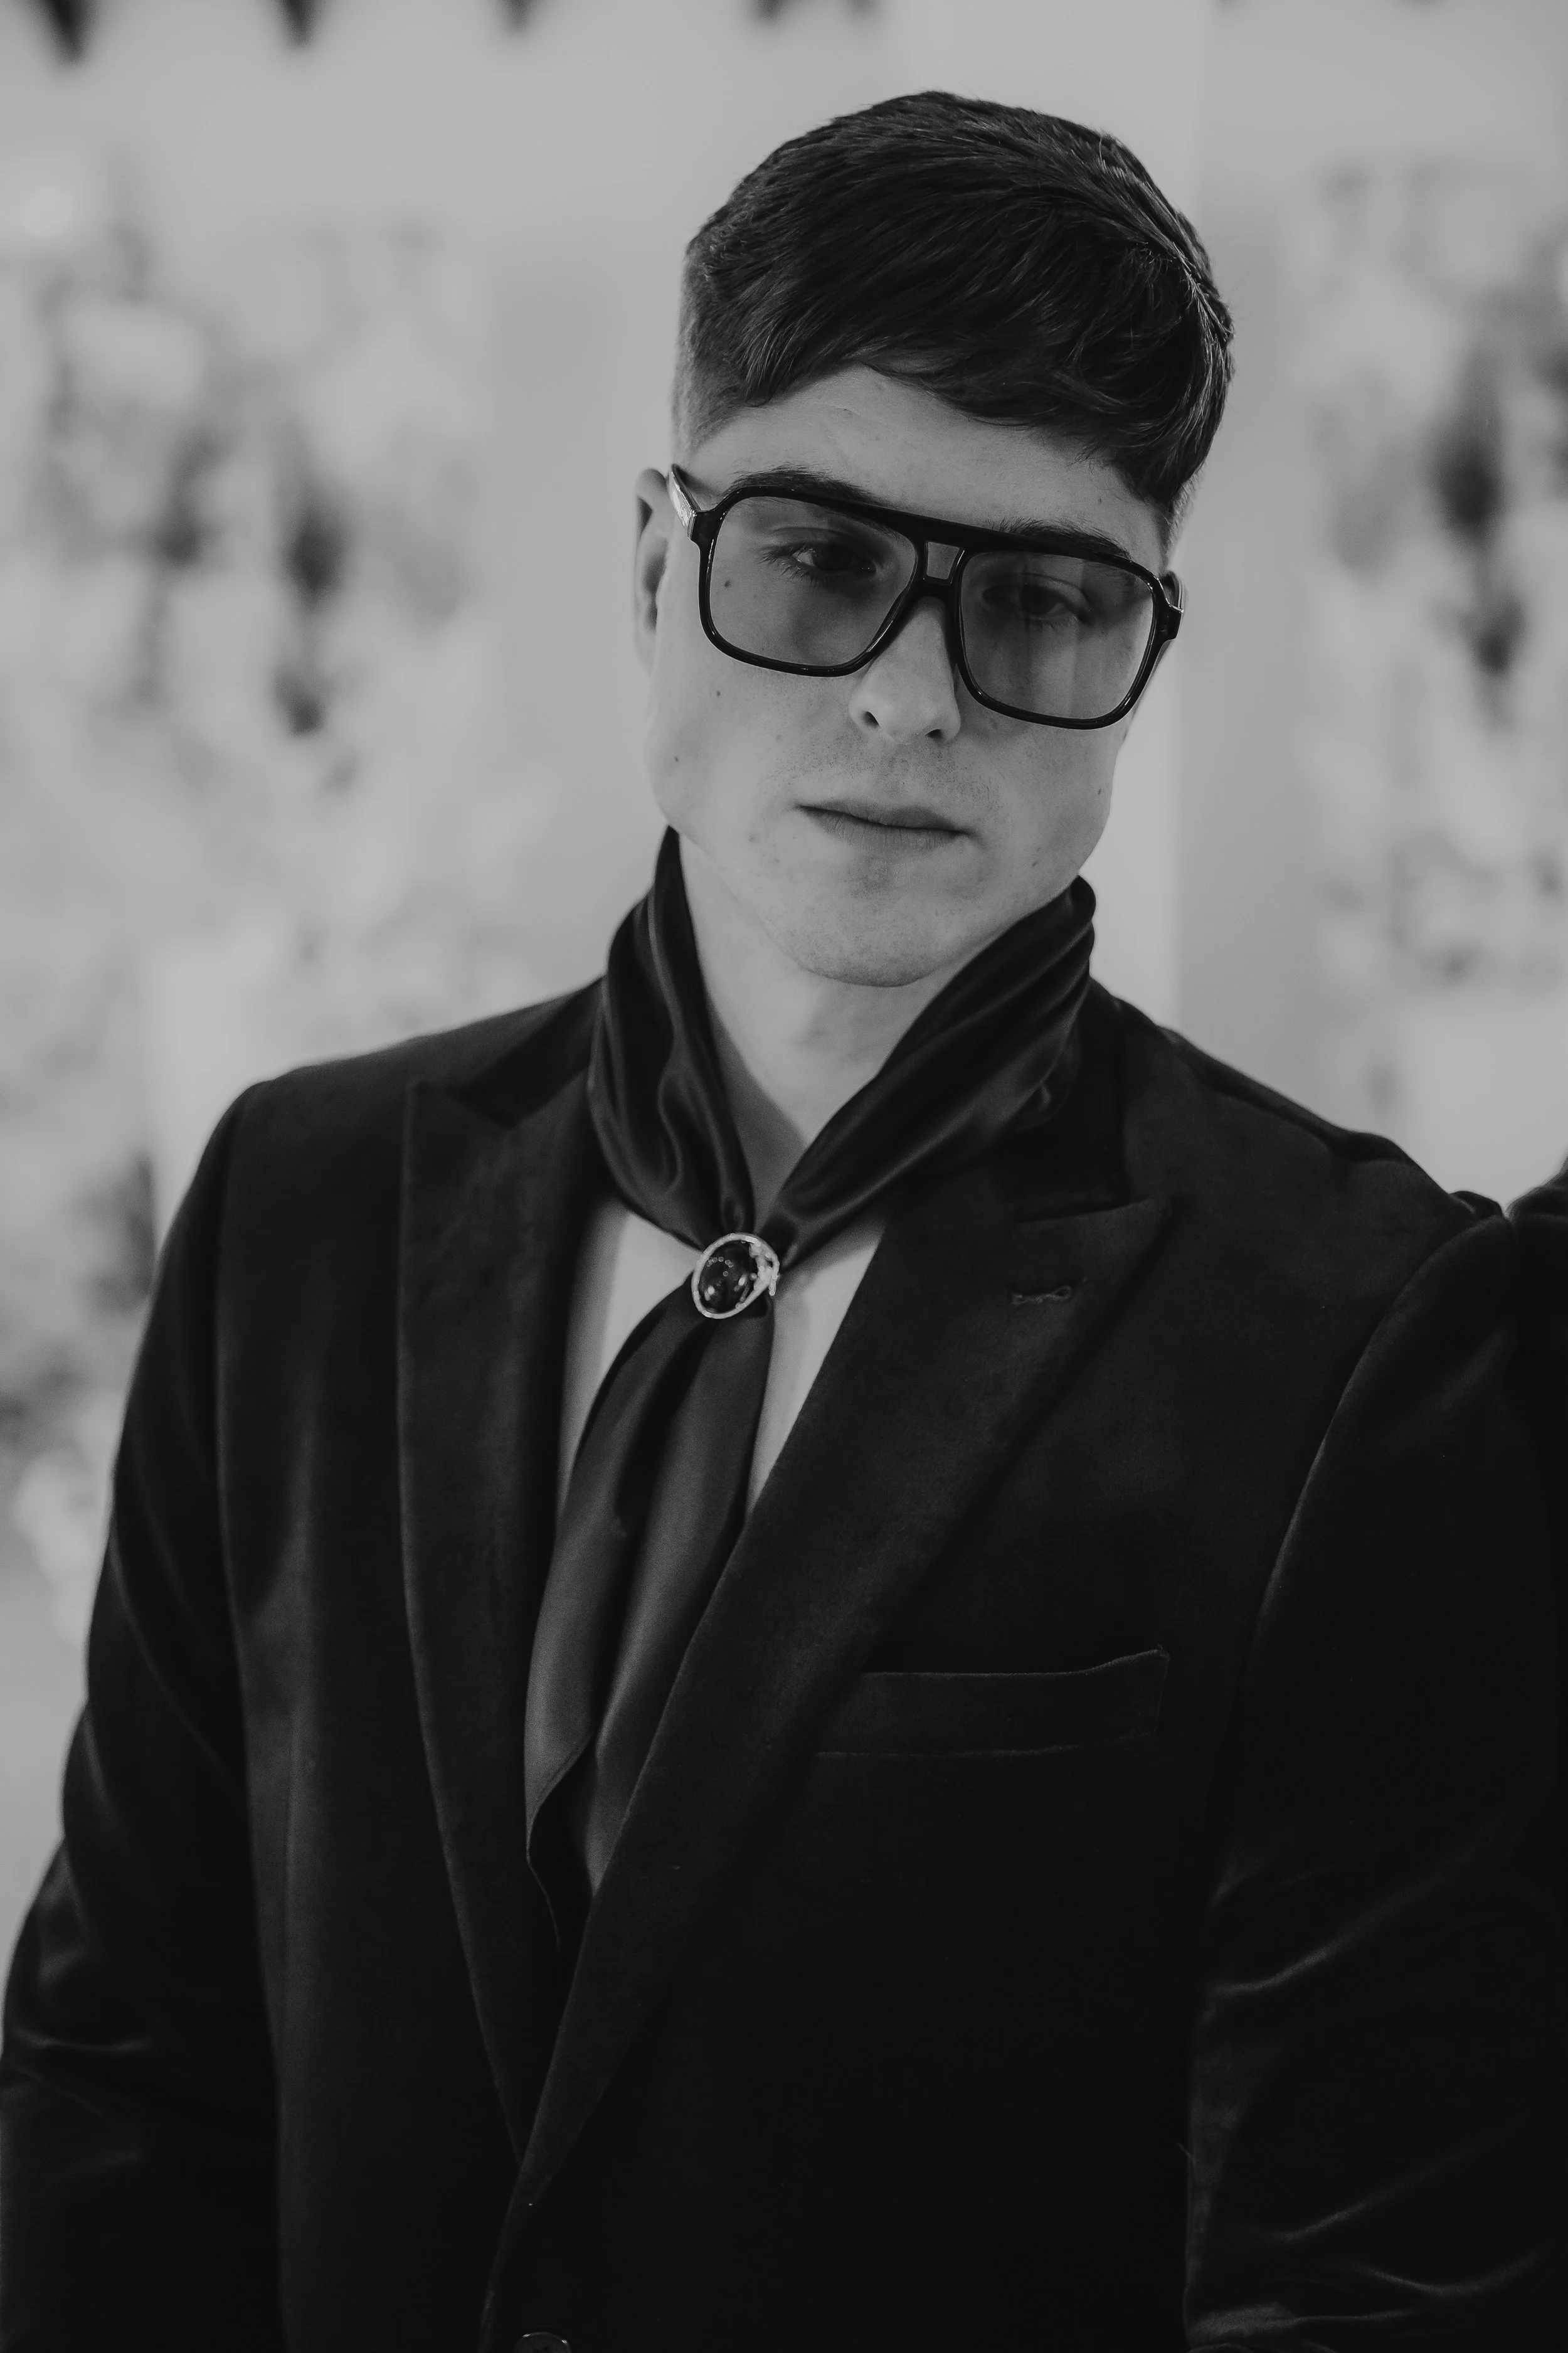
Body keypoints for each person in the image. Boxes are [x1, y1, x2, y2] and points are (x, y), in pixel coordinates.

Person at [3, 92, 1565, 2353]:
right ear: (657, 570)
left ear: (1142, 651)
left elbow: (1364, 2283)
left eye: (1039, 602)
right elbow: (122, 2078)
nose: (909, 696)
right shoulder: (298, 1209)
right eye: (819, 557)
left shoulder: (1361, 1325)